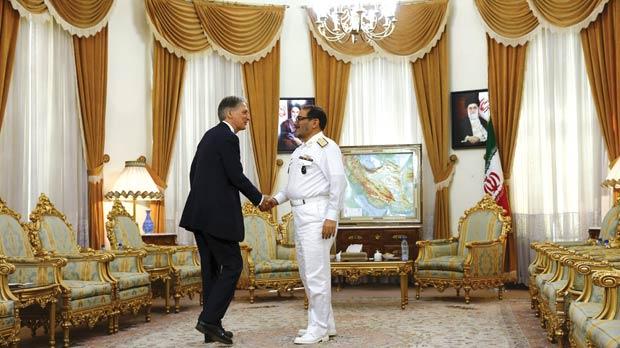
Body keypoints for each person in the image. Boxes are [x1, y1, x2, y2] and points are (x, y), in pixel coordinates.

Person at [179, 96, 271, 345]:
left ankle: (212, 328)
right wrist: (260, 199)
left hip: (199, 215)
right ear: (229, 114)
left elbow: (193, 171)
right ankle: (208, 320)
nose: (248, 117)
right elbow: (236, 175)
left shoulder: (210, 135)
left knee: (211, 271)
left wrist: (203, 199)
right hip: (216, 218)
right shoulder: (229, 137)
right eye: (244, 112)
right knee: (232, 266)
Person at [264, 105, 346, 345]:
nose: (295, 122)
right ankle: (325, 323)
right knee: (307, 273)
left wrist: (331, 216)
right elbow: (293, 187)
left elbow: (338, 183)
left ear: (315, 123)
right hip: (301, 214)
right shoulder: (301, 149)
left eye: (300, 119)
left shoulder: (327, 147)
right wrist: (274, 200)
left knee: (315, 274)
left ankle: (318, 328)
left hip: (318, 215)